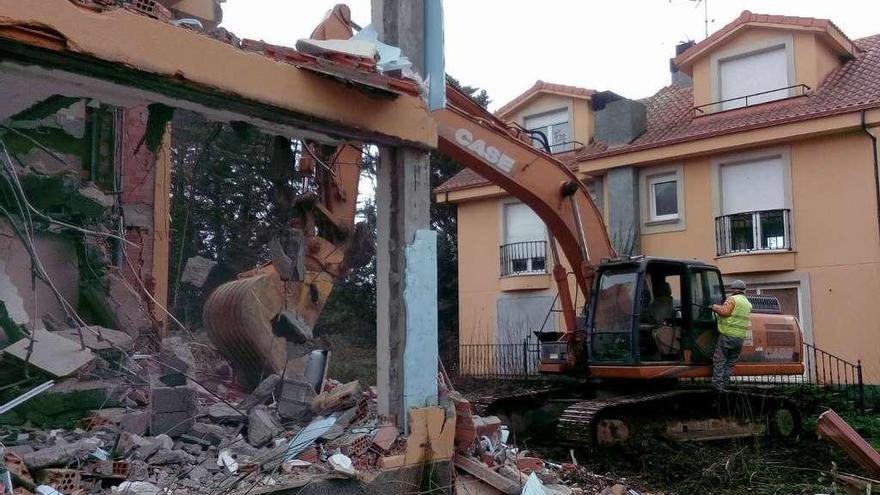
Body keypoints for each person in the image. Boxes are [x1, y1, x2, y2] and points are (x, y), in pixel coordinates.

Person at [709, 280, 752, 392]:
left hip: (728, 335)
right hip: (740, 338)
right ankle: (725, 384)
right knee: (730, 362)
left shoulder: (732, 299)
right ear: (744, 290)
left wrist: (714, 307)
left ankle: (718, 385)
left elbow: (725, 312)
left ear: (733, 290)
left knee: (720, 359)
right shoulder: (748, 303)